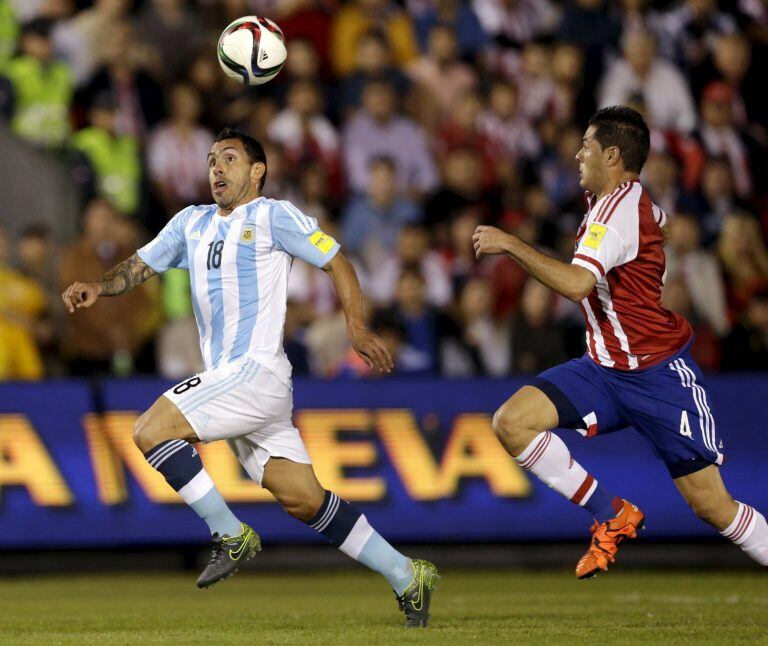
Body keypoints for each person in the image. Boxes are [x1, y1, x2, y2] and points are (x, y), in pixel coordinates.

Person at [61, 128, 439, 628]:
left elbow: (337, 261)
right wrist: (98, 287)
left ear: (257, 170)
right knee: (303, 499)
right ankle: (407, 574)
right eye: (212, 159)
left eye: (230, 159)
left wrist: (355, 325)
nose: (216, 168)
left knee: (150, 429)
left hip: (255, 371)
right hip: (236, 383)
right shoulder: (190, 223)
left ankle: (229, 534)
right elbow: (137, 267)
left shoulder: (272, 215)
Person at [472, 106, 768, 579]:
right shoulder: (627, 203)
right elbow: (663, 223)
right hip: (602, 369)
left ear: (611, 155)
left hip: (657, 377)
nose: (576, 155)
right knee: (511, 422)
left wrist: (510, 244)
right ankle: (611, 513)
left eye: (585, 146)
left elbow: (575, 285)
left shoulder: (614, 211)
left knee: (714, 507)